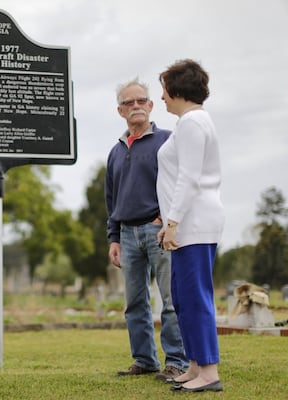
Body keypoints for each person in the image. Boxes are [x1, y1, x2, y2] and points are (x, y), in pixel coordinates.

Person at [105, 78, 188, 381]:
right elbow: (111, 199)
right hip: (127, 235)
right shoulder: (114, 151)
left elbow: (181, 182)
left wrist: (167, 219)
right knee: (135, 303)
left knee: (170, 301)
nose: (136, 106)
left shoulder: (167, 140)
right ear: (120, 110)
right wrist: (113, 238)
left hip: (158, 233)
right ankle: (144, 359)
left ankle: (176, 361)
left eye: (141, 100)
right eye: (129, 102)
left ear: (151, 105)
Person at [156, 59, 224, 393]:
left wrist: (173, 221)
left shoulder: (194, 122)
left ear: (178, 88)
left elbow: (189, 177)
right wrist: (168, 222)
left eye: (164, 90)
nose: (163, 97)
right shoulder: (188, 123)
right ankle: (195, 366)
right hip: (184, 224)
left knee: (195, 297)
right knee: (182, 298)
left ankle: (209, 372)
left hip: (195, 223)